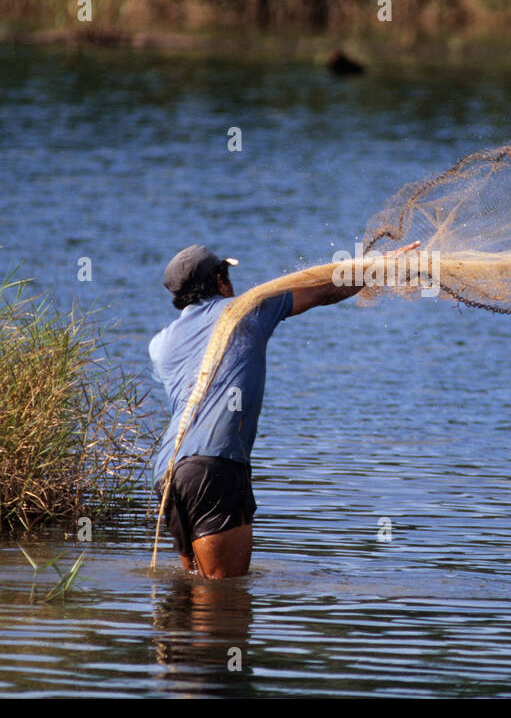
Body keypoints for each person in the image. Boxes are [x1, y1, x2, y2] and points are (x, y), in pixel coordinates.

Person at [149, 241, 418, 578]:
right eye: (227, 274)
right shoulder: (245, 311)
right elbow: (324, 290)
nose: (233, 284)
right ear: (220, 280)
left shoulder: (160, 344)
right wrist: (379, 268)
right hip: (214, 466)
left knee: (191, 592)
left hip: (168, 473)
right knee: (222, 598)